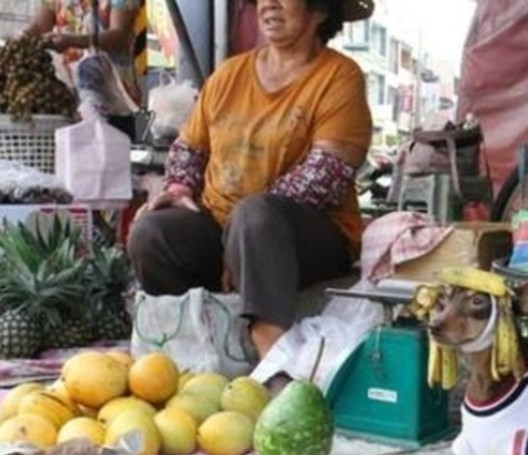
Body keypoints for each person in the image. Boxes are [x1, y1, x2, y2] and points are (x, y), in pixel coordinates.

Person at [127, 0, 374, 361]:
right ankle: (185, 349)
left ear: (319, 10)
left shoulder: (339, 77)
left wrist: (241, 239)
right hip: (225, 224)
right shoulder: (229, 74)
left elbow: (326, 176)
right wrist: (179, 187)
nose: (269, 5)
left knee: (256, 217)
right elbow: (190, 147)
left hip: (306, 236)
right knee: (153, 232)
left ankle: (273, 359)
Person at [24, 0, 139, 140]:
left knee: (111, 153)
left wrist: (76, 41)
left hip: (112, 98)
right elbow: (39, 24)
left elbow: (121, 35)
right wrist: (24, 36)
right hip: (69, 98)